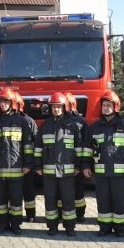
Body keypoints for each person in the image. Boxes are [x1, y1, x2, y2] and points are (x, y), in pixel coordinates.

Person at [85, 90, 124, 237]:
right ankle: (104, 227)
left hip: (119, 174)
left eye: (109, 105)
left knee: (119, 200)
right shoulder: (94, 127)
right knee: (103, 200)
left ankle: (119, 228)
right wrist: (85, 166)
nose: (106, 108)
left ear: (116, 107)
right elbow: (88, 149)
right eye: (104, 105)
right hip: (101, 173)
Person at [34, 92, 85, 237]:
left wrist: (78, 166)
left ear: (64, 107)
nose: (56, 109)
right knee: (50, 200)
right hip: (49, 173)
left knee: (68, 200)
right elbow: (38, 148)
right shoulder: (45, 126)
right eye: (53, 107)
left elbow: (78, 149)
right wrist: (38, 167)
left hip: (68, 172)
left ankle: (70, 227)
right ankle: (52, 226)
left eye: (58, 107)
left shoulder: (72, 126)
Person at [0, 88, 33, 235]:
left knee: (16, 200)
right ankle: (2, 224)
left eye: (6, 102)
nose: (3, 104)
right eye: (2, 102)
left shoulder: (21, 122)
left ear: (11, 103)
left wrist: (27, 164)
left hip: (17, 169)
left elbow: (27, 145)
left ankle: (16, 225)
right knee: (0, 200)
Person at [64, 92, 89, 223]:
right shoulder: (80, 120)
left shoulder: (80, 121)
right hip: (65, 161)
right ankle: (77, 214)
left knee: (78, 189)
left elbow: (86, 143)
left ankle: (80, 214)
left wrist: (81, 164)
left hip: (75, 161)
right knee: (64, 190)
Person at [14, 92, 38, 223]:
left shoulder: (29, 121)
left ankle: (31, 214)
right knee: (14, 191)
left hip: (26, 162)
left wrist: (30, 163)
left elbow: (35, 141)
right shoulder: (7, 121)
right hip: (13, 163)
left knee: (29, 190)